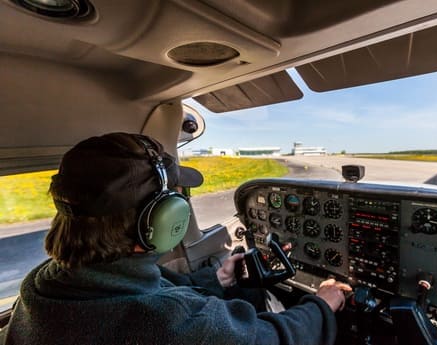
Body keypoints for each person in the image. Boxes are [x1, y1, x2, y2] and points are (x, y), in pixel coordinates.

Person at [0, 132, 351, 345]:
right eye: (179, 198)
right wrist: (323, 304)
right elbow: (277, 339)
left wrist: (216, 278)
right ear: (162, 219)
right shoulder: (170, 322)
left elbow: (146, 295)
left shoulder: (42, 283)